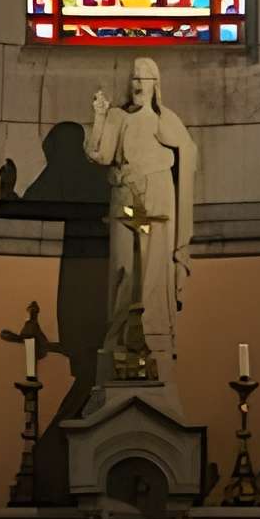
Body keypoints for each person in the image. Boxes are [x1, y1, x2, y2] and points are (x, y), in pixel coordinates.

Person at [85, 57, 198, 379]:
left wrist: (179, 147)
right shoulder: (118, 117)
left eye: (144, 78)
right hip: (125, 197)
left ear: (155, 85)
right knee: (125, 265)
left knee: (153, 265)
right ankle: (121, 334)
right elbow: (101, 155)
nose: (137, 84)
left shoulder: (167, 121)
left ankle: (153, 332)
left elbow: (188, 155)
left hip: (157, 194)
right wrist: (98, 116)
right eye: (134, 78)